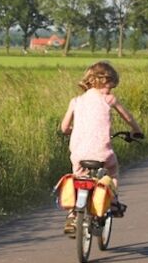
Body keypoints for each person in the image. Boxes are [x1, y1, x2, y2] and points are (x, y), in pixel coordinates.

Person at [61, 61, 143, 223]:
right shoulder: (109, 99)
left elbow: (64, 128)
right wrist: (137, 131)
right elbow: (128, 118)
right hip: (103, 154)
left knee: (79, 179)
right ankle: (113, 202)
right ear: (102, 81)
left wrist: (76, 131)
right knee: (113, 171)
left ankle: (72, 214)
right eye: (110, 86)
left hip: (78, 154)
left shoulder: (75, 101)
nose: (110, 91)